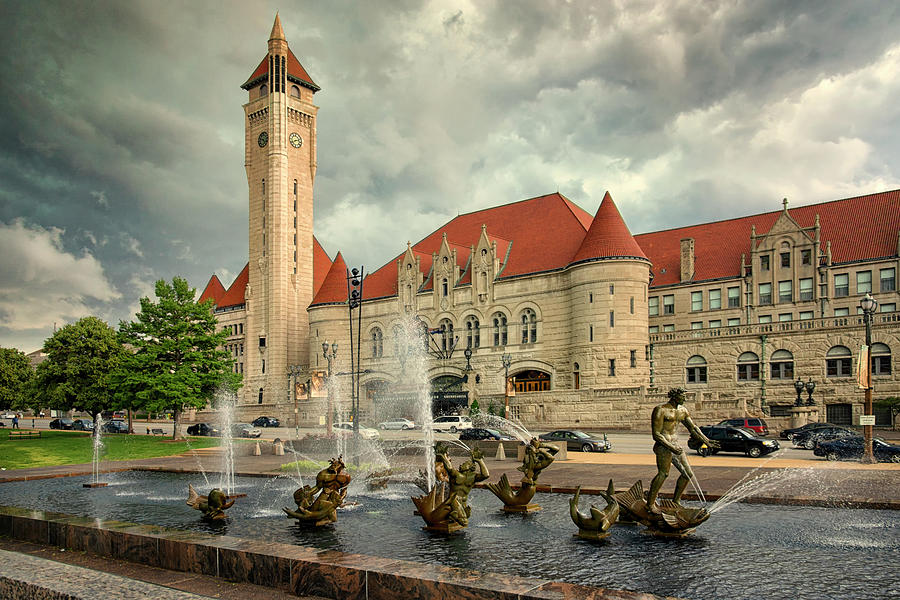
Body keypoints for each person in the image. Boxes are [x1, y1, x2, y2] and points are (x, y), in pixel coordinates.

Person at [646, 388, 718, 513]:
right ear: (674, 396)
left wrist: (706, 440)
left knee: (687, 473)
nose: (685, 398)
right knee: (663, 474)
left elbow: (693, 428)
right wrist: (671, 447)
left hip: (675, 445)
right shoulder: (660, 410)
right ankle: (650, 504)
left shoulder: (682, 410)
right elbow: (656, 434)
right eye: (683, 396)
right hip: (663, 446)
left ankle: (675, 502)